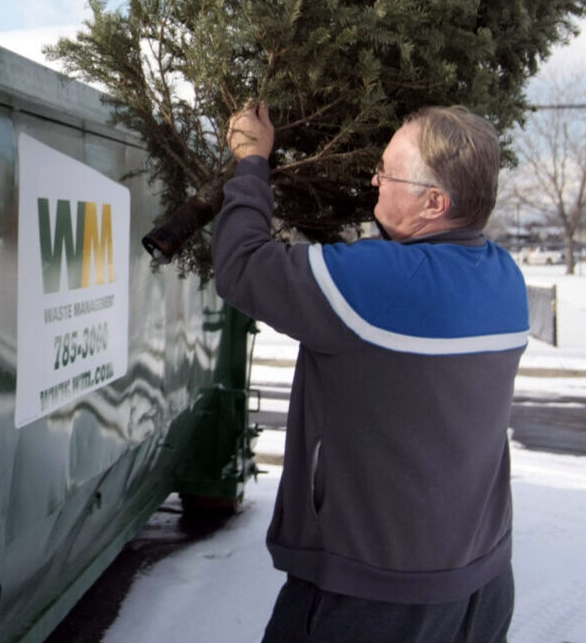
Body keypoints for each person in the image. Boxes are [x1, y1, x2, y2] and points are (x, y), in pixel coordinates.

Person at [214, 101, 528, 643]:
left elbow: (242, 265)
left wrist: (252, 163)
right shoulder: (505, 279)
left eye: (388, 172)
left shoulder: (380, 284)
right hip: (482, 584)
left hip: (374, 600)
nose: (374, 180)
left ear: (435, 201)